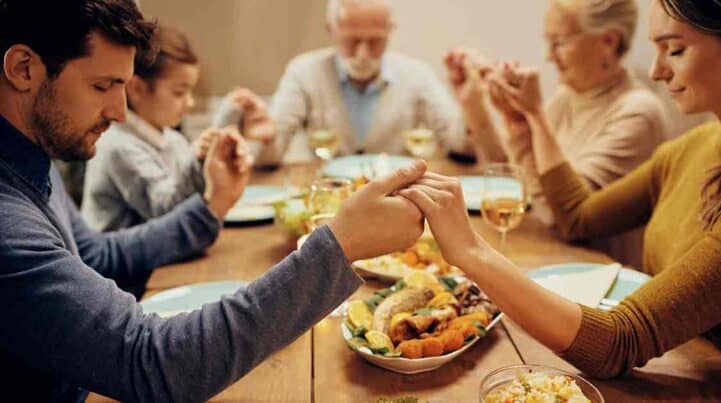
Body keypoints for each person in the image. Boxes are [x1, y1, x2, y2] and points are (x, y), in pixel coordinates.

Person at [0, 1, 427, 401]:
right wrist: (339, 245)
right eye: (102, 85)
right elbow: (154, 361)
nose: (120, 112)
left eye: (122, 87)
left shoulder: (36, 159)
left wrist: (210, 207)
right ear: (23, 68)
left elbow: (95, 253)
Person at [400, 0, 721, 388]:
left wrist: (470, 252)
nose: (657, 71)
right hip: (679, 363)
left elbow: (617, 342)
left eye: (675, 50)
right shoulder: (693, 146)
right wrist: (523, 119)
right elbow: (578, 216)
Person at [445, 0, 669, 268]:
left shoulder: (639, 113)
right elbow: (518, 179)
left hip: (599, 275)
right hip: (555, 257)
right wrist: (479, 106)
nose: (549, 55)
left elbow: (563, 217)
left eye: (559, 42)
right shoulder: (568, 96)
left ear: (609, 41)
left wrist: (533, 116)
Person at [214, 0, 468, 163]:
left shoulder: (416, 74)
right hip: (329, 203)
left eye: (375, 41)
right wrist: (261, 139)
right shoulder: (303, 71)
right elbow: (274, 153)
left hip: (398, 200)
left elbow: (462, 147)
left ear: (390, 31)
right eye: (352, 40)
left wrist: (472, 105)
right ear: (331, 29)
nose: (363, 54)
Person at [80, 25, 269, 232]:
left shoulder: (172, 140)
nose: (189, 103)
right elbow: (167, 211)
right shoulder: (118, 147)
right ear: (137, 89)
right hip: (125, 264)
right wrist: (201, 155)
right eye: (179, 92)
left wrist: (223, 138)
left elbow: (195, 188)